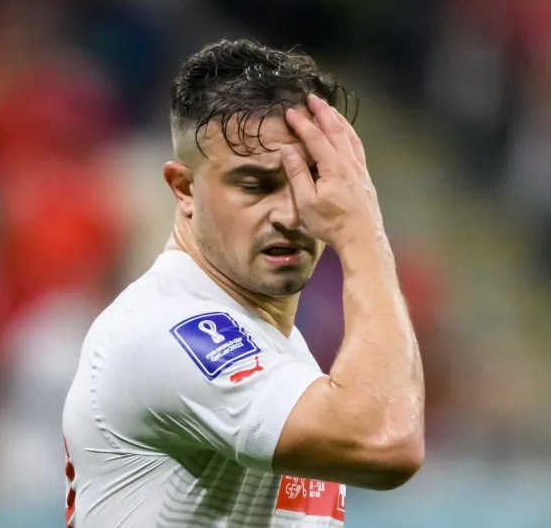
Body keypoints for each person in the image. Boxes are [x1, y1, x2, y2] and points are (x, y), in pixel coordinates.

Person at [61, 39, 424, 527]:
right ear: (184, 189)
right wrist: (363, 235)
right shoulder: (171, 330)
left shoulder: (279, 347)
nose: (290, 214)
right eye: (254, 185)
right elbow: (385, 439)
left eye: (311, 179)